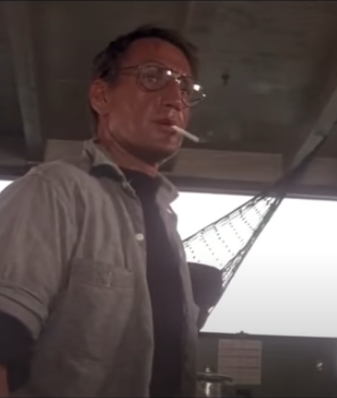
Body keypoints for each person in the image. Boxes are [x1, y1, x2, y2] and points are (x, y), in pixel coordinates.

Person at [0, 25, 206, 396]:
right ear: (101, 96)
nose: (176, 98)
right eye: (154, 77)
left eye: (186, 88)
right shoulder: (55, 191)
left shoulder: (165, 221)